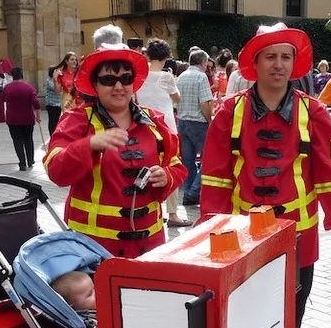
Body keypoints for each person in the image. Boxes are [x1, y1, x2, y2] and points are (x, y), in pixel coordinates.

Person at [200, 23, 331, 328]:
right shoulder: (230, 112)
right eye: (270, 56)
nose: (279, 65)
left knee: (289, 324)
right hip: (241, 238)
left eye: (286, 57)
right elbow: (216, 178)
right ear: (255, 63)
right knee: (244, 326)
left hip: (299, 239)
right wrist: (209, 226)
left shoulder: (314, 112)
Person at [43, 43, 187, 258]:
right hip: (93, 249)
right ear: (95, 84)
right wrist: (89, 145)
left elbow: (176, 164)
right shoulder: (77, 121)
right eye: (109, 80)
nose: (119, 86)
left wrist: (166, 176)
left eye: (126, 78)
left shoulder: (154, 121)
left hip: (150, 245)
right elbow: (55, 170)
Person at [136, 39, 190, 228]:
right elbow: (177, 98)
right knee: (170, 168)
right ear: (166, 56)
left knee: (146, 168)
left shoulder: (140, 76)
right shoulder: (167, 77)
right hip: (167, 128)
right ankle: (172, 213)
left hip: (145, 127)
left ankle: (149, 209)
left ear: (148, 55)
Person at [176, 49, 214, 206]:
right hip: (198, 123)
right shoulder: (201, 76)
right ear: (203, 62)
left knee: (188, 160)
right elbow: (204, 103)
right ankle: (194, 191)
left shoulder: (181, 76)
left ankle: (188, 192)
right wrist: (210, 120)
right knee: (210, 157)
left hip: (182, 121)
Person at [2, 67, 41, 171]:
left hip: (12, 118)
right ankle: (30, 160)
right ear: (22, 75)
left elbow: (3, 99)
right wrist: (38, 116)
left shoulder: (7, 88)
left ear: (12, 76)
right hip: (27, 118)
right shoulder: (29, 87)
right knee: (28, 139)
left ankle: (22, 163)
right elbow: (36, 103)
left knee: (17, 140)